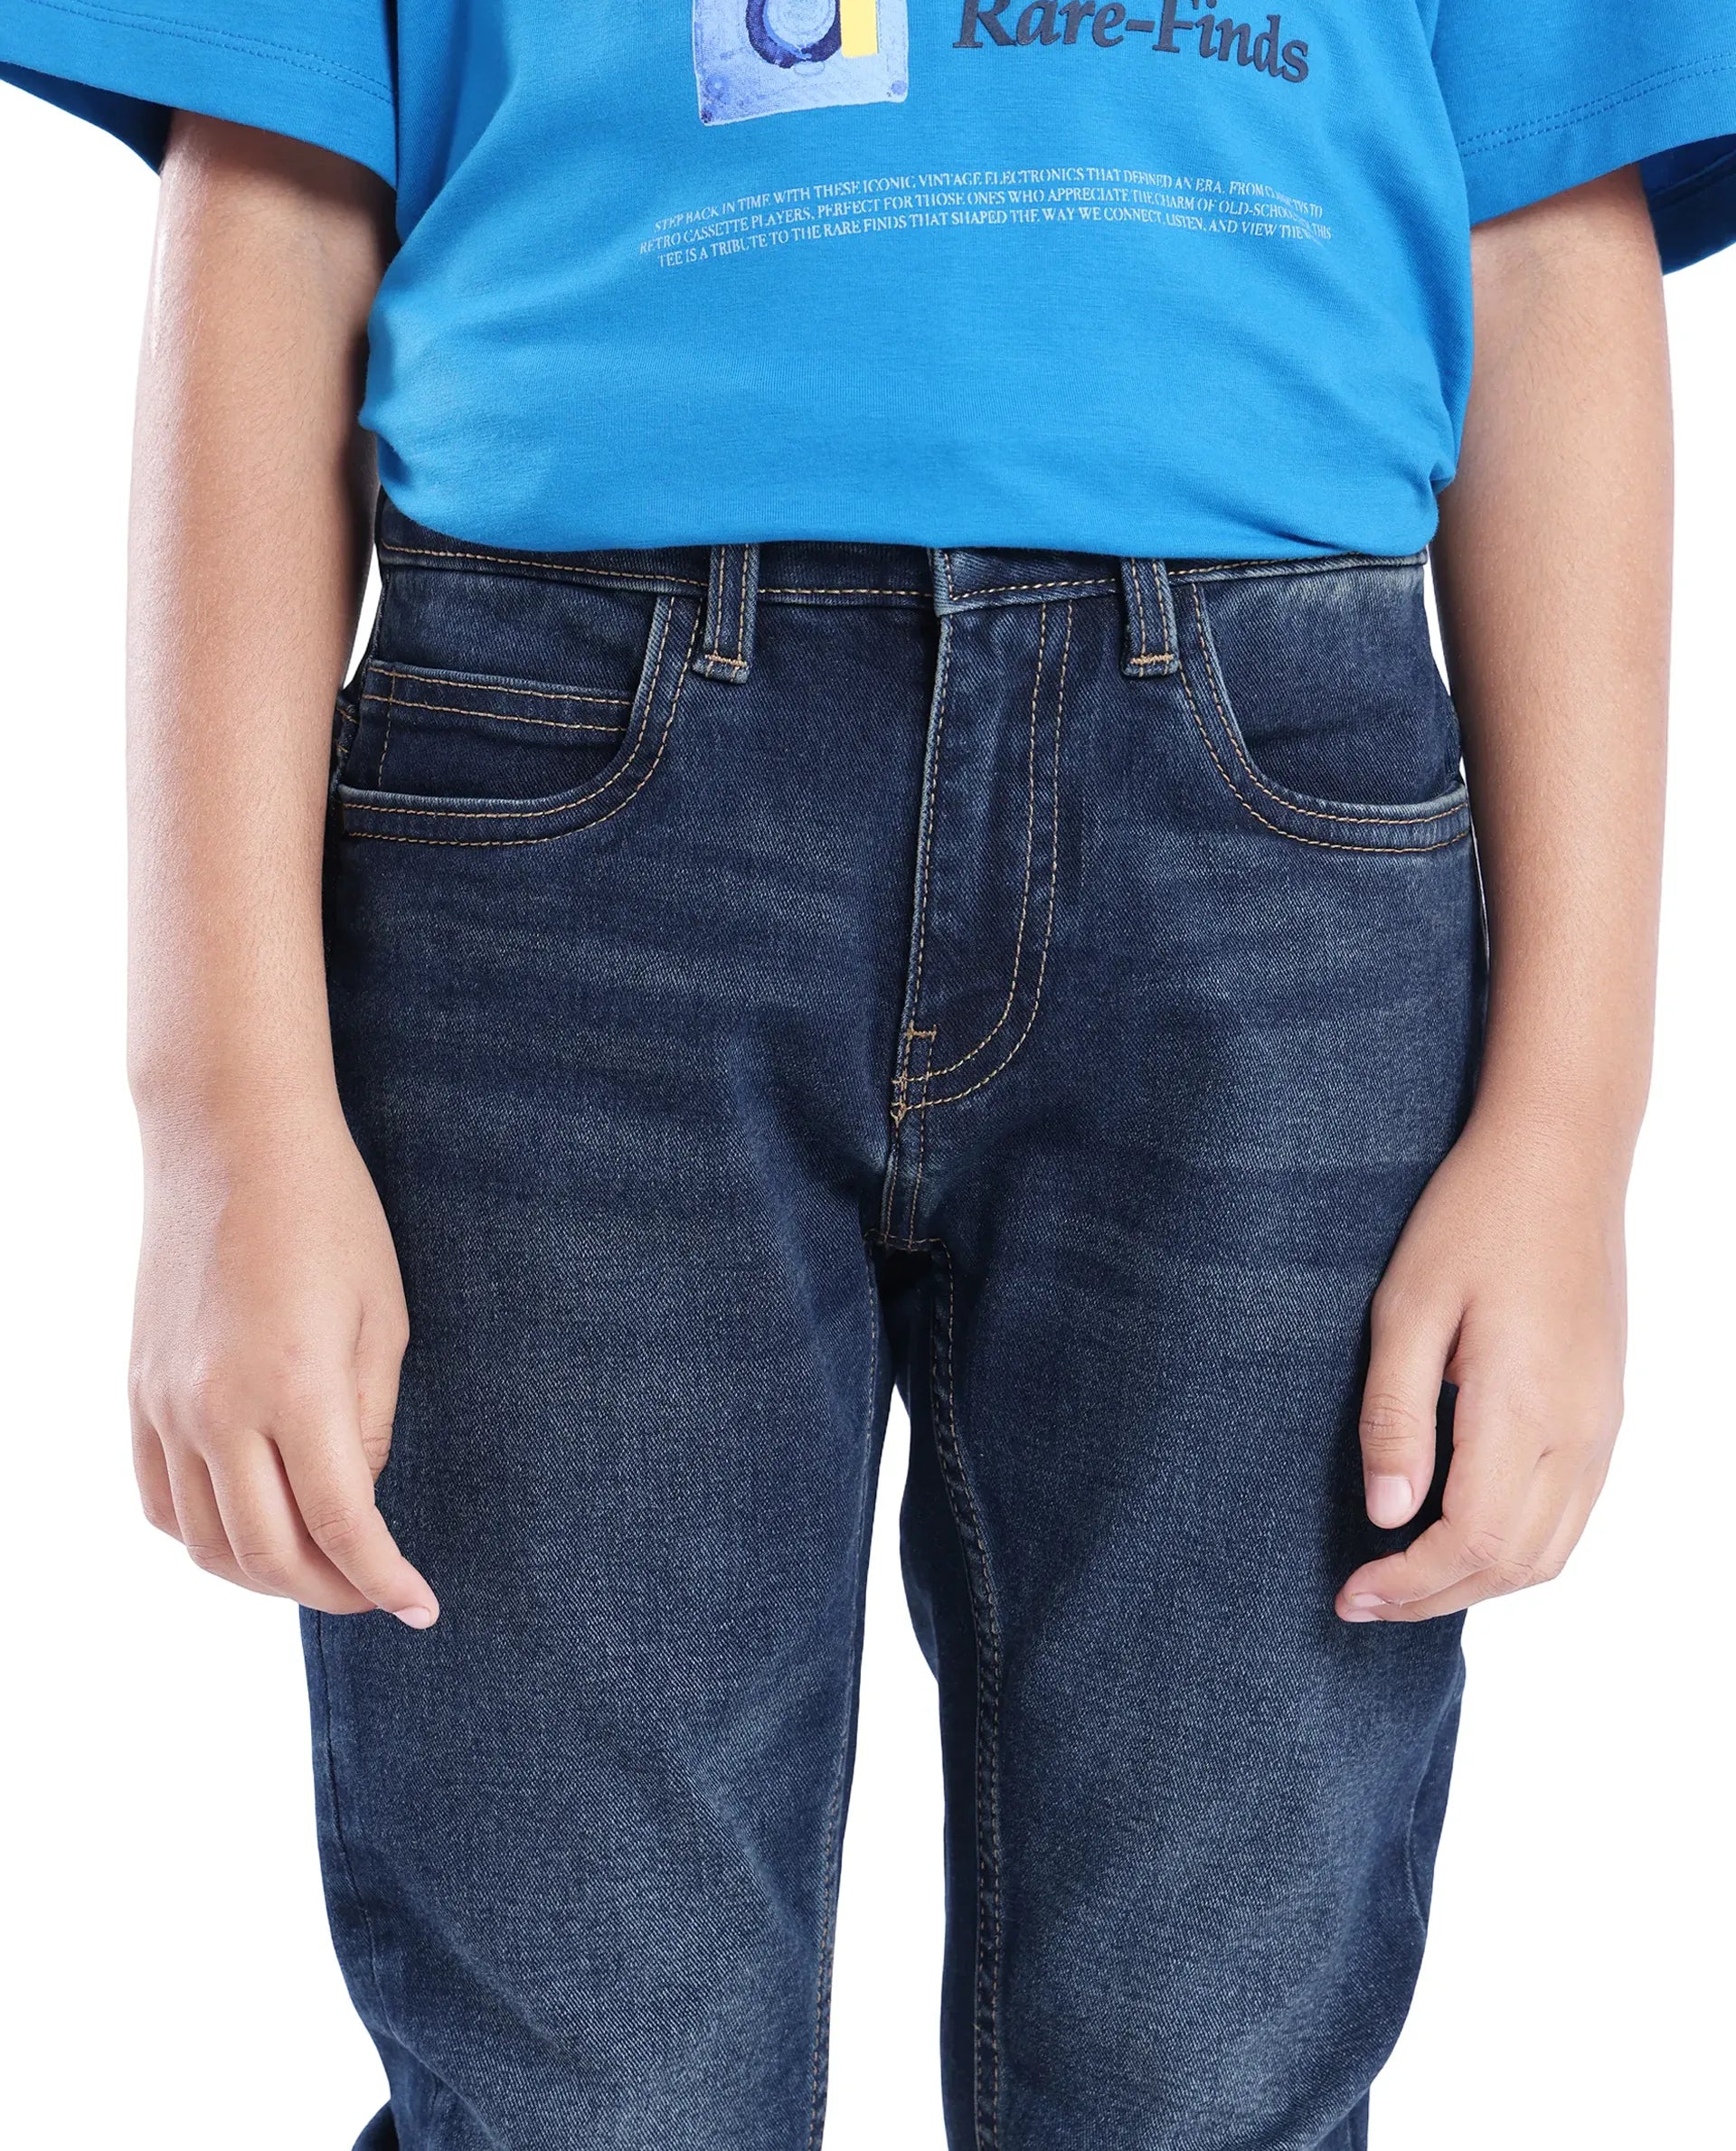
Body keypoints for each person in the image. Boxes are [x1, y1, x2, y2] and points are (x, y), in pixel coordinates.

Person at [3, 4, 1731, 2146]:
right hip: (565, 838)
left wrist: (1574, 1124)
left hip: (1268, 841)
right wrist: (216, 1109)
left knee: (1210, 2058)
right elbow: (268, 182)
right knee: (585, 2076)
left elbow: (1545, 225)